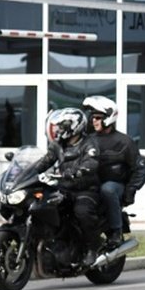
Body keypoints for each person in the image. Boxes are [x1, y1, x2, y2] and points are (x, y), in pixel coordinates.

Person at [34, 107, 102, 265]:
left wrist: (79, 171)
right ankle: (55, 243)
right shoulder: (58, 144)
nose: (59, 129)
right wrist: (30, 172)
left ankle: (93, 247)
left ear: (75, 126)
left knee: (82, 212)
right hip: (64, 188)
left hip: (85, 189)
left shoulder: (89, 143)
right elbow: (47, 160)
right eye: (59, 126)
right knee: (45, 207)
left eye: (63, 125)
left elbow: (91, 162)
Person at [81, 95, 145, 248]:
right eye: (93, 117)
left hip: (115, 185)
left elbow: (141, 167)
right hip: (92, 184)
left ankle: (115, 232)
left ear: (109, 118)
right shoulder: (88, 140)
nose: (94, 121)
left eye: (98, 117)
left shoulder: (124, 142)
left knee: (108, 189)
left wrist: (130, 190)